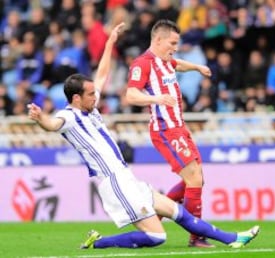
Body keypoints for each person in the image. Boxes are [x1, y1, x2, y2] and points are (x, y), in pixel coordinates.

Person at [27, 23, 260, 250]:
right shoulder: (67, 117)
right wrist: (40, 119)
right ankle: (99, 242)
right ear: (76, 99)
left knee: (177, 212)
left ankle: (233, 238)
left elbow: (103, 73)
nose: (95, 97)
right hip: (112, 181)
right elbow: (52, 124)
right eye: (90, 94)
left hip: (126, 176)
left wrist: (109, 43)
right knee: (157, 237)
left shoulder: (91, 107)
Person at [125, 19, 213, 247]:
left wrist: (196, 67)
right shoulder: (142, 63)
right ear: (158, 40)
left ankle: (156, 211)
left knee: (196, 180)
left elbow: (177, 64)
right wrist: (155, 98)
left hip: (179, 127)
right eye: (172, 43)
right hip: (165, 129)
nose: (175, 47)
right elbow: (131, 95)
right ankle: (197, 237)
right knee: (194, 177)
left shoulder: (165, 61)